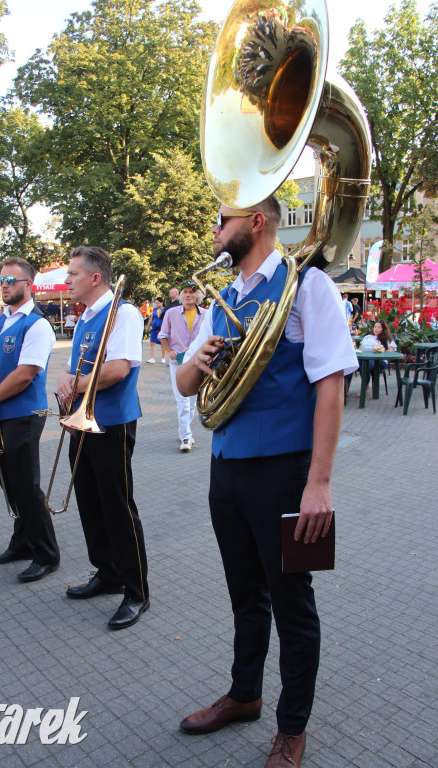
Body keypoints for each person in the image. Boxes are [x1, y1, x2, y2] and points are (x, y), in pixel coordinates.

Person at [176, 197, 358, 768]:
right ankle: (245, 693)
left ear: (255, 223)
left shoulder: (307, 287)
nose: (214, 227)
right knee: (243, 595)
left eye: (223, 218)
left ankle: (292, 729)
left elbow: (331, 383)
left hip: (284, 471)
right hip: (226, 468)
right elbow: (183, 385)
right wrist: (197, 360)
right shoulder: (223, 299)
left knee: (292, 603)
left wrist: (319, 483)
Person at [56, 246, 149, 630]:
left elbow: (116, 370)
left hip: (112, 422)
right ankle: (107, 572)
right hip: (83, 421)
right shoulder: (84, 319)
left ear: (95, 278)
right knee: (89, 502)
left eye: (74, 274)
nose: (68, 281)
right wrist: (64, 380)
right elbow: (73, 366)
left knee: (117, 506)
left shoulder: (122, 313)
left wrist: (74, 383)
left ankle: (136, 591)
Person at [0, 257, 59, 582]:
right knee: (10, 482)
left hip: (22, 414)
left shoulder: (37, 324)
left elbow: (24, 374)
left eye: (12, 279)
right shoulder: (0, 321)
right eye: (1, 279)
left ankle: (47, 553)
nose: (5, 284)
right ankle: (22, 541)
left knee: (27, 485)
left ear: (29, 285)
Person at [158, 281, 207, 452]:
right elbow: (163, 335)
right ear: (181, 295)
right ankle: (186, 436)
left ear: (197, 296)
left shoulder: (206, 314)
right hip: (177, 362)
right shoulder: (171, 313)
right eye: (185, 292)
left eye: (192, 292)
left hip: (197, 362)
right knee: (182, 401)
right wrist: (169, 350)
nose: (188, 295)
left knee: (193, 401)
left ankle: (185, 430)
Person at [146, 297, 166, 363]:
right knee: (152, 342)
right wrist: (148, 326)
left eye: (158, 303)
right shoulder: (155, 309)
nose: (157, 304)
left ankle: (163, 358)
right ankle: (152, 358)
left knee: (162, 343)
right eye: (156, 303)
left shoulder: (165, 310)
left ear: (162, 302)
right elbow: (151, 318)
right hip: (154, 327)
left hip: (161, 327)